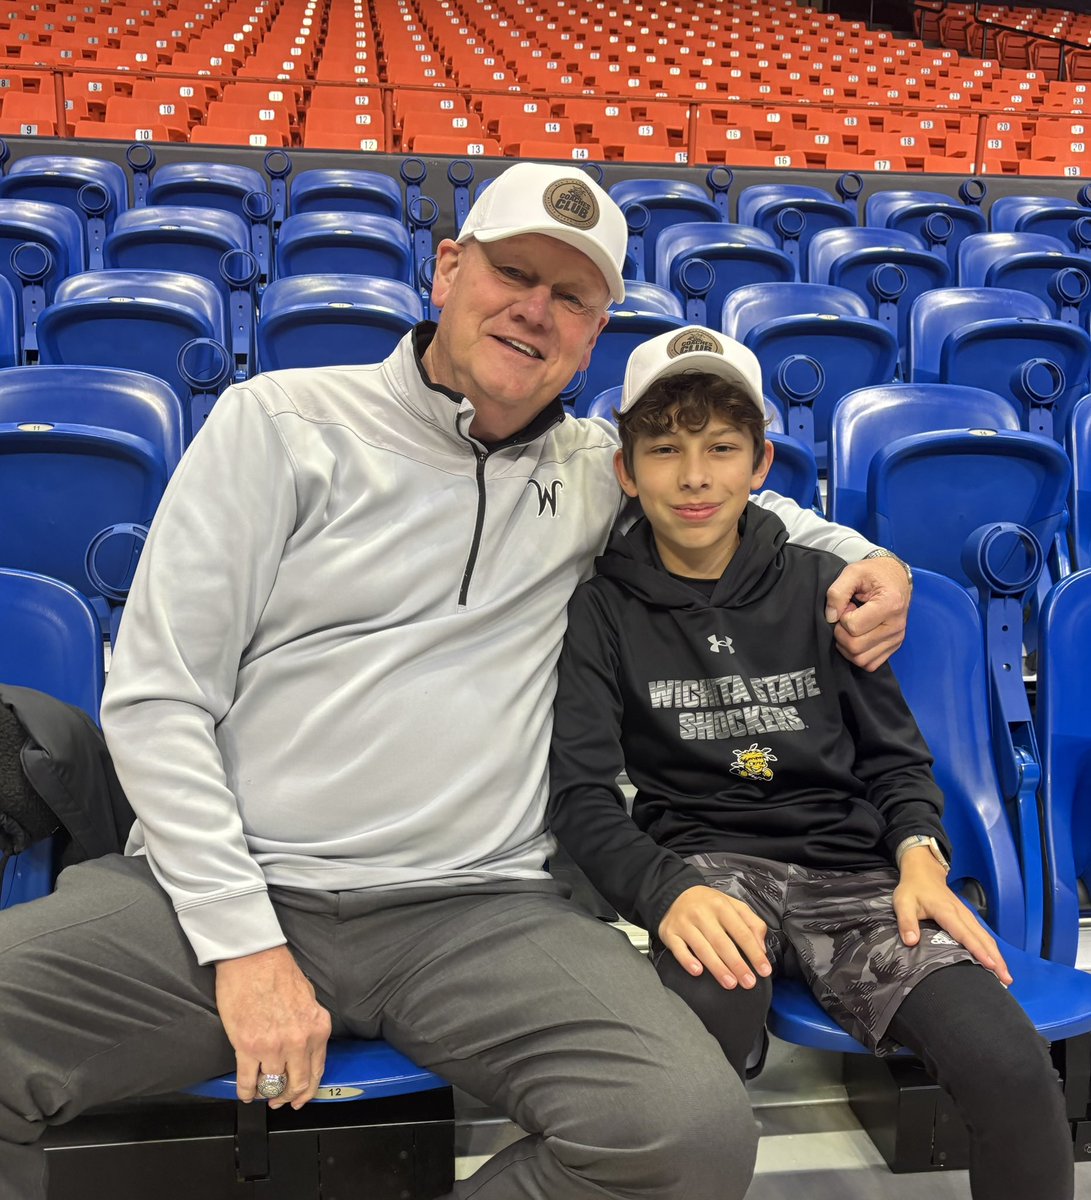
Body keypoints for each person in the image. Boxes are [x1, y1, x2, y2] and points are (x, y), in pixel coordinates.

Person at [0, 163, 911, 1200]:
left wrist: (866, 560)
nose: (535, 310)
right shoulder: (278, 424)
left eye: (571, 297)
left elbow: (748, 515)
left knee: (685, 1133)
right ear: (446, 270)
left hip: (478, 908)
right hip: (221, 893)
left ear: (595, 328)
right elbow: (160, 699)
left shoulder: (593, 471)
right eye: (512, 272)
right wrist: (243, 942)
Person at [547, 325, 1073, 1200]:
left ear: (760, 463)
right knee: (695, 1053)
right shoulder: (598, 609)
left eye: (721, 448)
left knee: (1012, 1065)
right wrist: (664, 890)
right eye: (664, 448)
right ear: (625, 470)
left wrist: (917, 852)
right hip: (707, 871)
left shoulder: (825, 587)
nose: (693, 476)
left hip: (855, 875)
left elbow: (896, 758)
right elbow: (582, 798)